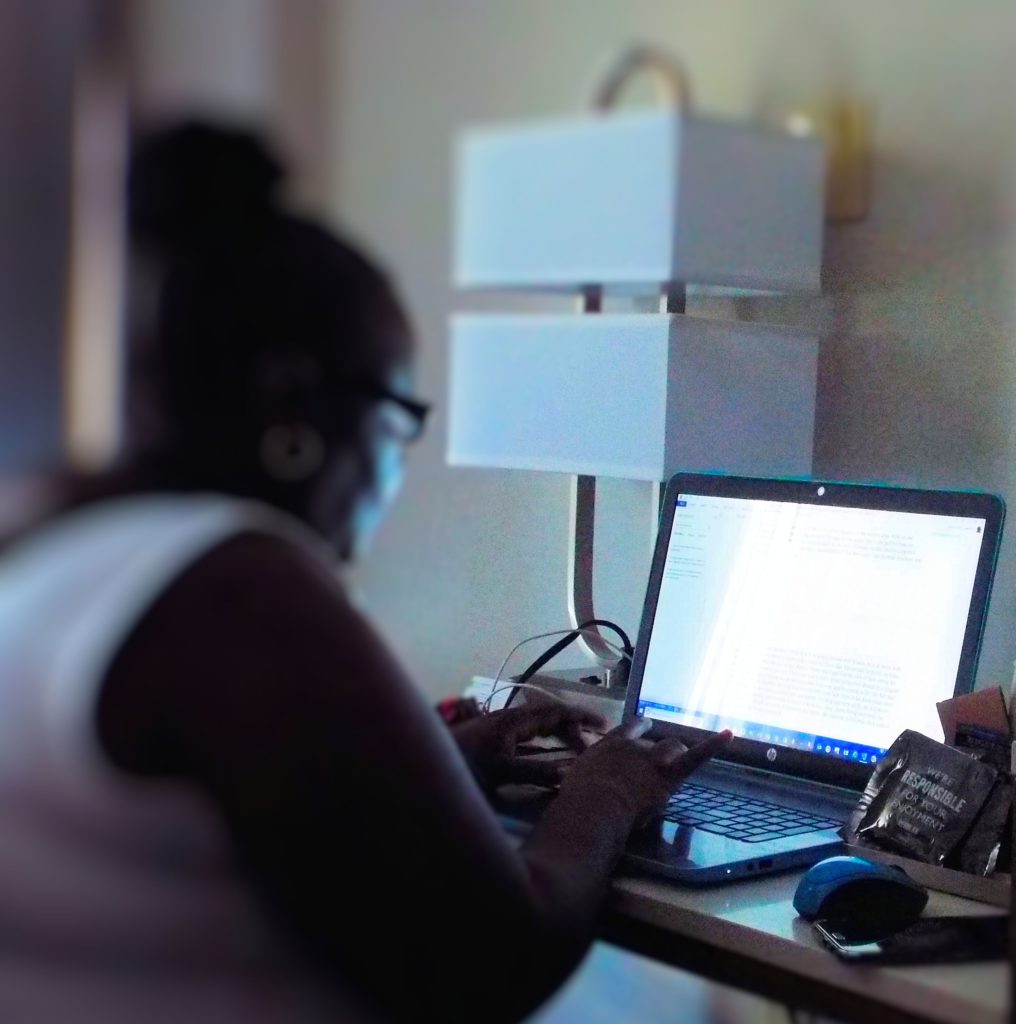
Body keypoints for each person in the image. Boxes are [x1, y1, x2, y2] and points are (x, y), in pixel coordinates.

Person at [0, 121, 730, 1023]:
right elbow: (498, 961)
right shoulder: (240, 592)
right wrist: (607, 791)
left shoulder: (56, 542)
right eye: (400, 414)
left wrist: (431, 770)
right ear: (295, 403)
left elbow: (228, 821)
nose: (397, 464)